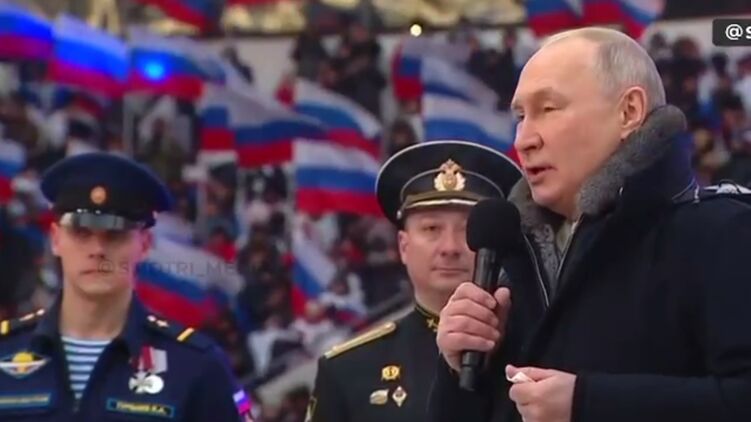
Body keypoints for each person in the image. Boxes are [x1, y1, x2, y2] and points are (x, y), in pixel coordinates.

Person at [428, 27, 751, 422]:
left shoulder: (722, 234)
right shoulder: (512, 262)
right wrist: (457, 373)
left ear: (628, 111)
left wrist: (588, 403)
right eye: (520, 117)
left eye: (548, 109)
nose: (524, 140)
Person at [0, 152, 253, 421]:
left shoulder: (196, 366)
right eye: (81, 233)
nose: (97, 249)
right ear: (56, 239)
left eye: (114, 235)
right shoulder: (5, 350)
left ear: (144, 244)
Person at [305, 140, 522, 422]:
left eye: (468, 229)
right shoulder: (347, 370)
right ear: (403, 246)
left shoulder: (536, 346)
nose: (450, 247)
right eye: (431, 228)